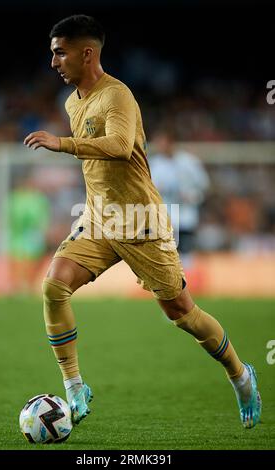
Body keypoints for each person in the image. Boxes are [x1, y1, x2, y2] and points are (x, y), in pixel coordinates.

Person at [24, 14, 261, 429]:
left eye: (60, 53)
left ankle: (240, 375)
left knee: (182, 313)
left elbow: (117, 147)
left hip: (141, 222)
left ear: (87, 53)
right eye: (52, 53)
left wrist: (60, 143)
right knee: (54, 286)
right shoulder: (72, 101)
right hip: (100, 218)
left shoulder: (118, 96)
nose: (53, 62)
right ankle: (74, 385)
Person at [149, 130, 210, 265]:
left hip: (186, 215)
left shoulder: (189, 162)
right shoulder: (154, 165)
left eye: (163, 142)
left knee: (186, 252)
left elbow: (204, 185)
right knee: (166, 253)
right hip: (165, 216)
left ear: (172, 143)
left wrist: (194, 196)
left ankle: (187, 282)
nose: (161, 146)